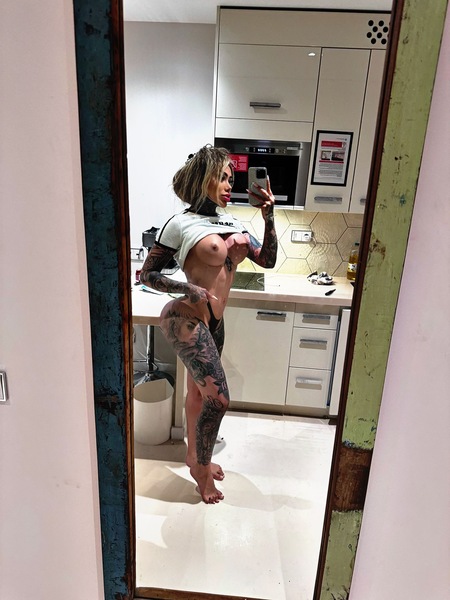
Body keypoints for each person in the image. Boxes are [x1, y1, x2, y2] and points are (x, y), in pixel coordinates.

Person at [140, 145, 277, 503]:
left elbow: (268, 260)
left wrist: (268, 217)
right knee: (219, 400)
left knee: (199, 394)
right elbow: (147, 275)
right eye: (223, 178)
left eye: (232, 178)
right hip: (186, 318)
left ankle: (192, 455)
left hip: (215, 322)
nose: (230, 185)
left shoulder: (233, 223)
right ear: (205, 178)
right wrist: (186, 288)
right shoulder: (181, 223)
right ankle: (201, 471)